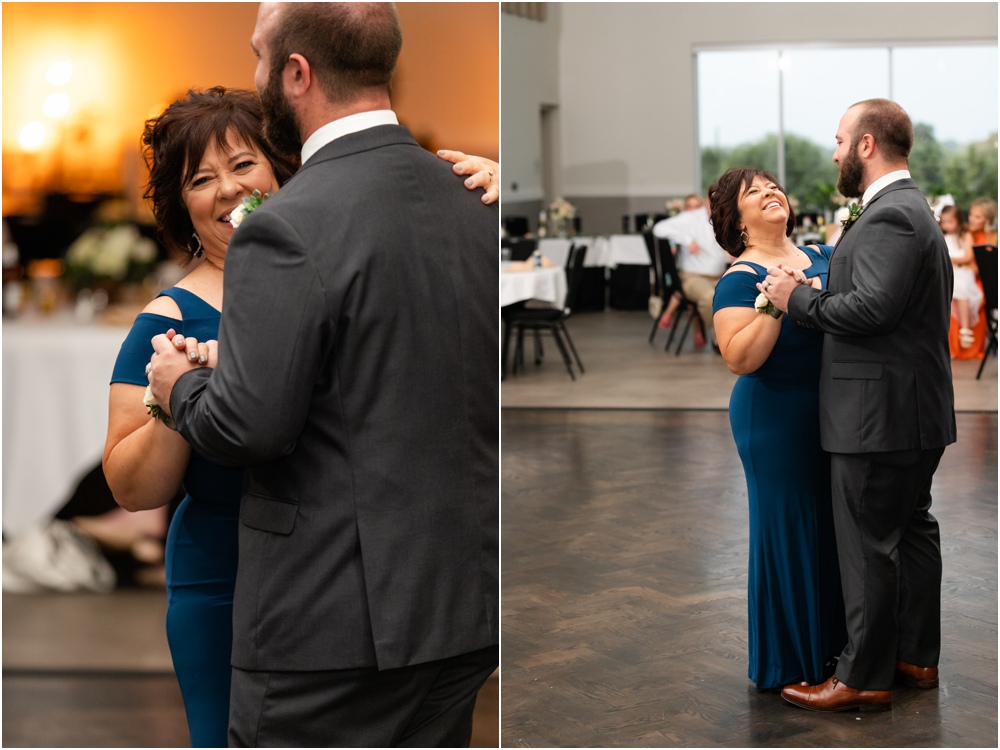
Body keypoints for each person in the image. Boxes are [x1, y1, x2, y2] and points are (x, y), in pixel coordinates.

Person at [147, 3, 498, 746]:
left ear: (297, 73)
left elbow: (249, 427)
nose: (255, 73)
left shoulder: (285, 224)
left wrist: (180, 386)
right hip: (464, 605)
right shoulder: (475, 197)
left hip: (331, 622)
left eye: (258, 55)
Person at [762, 99, 956, 712]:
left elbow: (874, 309)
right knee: (911, 531)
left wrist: (796, 300)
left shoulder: (890, 215)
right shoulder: (910, 209)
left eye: (841, 141)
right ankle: (915, 656)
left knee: (869, 542)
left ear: (867, 145)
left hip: (878, 415)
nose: (835, 153)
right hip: (912, 408)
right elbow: (883, 299)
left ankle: (864, 677)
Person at [709, 167, 846, 691]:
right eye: (754, 192)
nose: (770, 193)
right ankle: (791, 661)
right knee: (790, 531)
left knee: (832, 529)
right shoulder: (739, 279)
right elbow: (740, 359)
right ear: (737, 220)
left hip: (833, 410)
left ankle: (837, 650)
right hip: (775, 418)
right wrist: (775, 303)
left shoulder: (823, 255)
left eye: (772, 186)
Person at [653, 193, 730, 349]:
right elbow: (658, 228)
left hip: (720, 276)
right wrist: (687, 240)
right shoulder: (691, 217)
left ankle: (737, 338)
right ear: (707, 201)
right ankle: (720, 340)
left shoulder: (724, 218)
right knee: (709, 297)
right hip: (693, 277)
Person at [938, 204, 983, 353]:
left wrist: (948, 259)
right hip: (948, 272)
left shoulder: (965, 235)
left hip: (962, 272)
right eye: (944, 222)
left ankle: (965, 328)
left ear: (958, 220)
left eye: (950, 222)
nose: (946, 225)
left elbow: (968, 257)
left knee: (962, 287)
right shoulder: (941, 236)